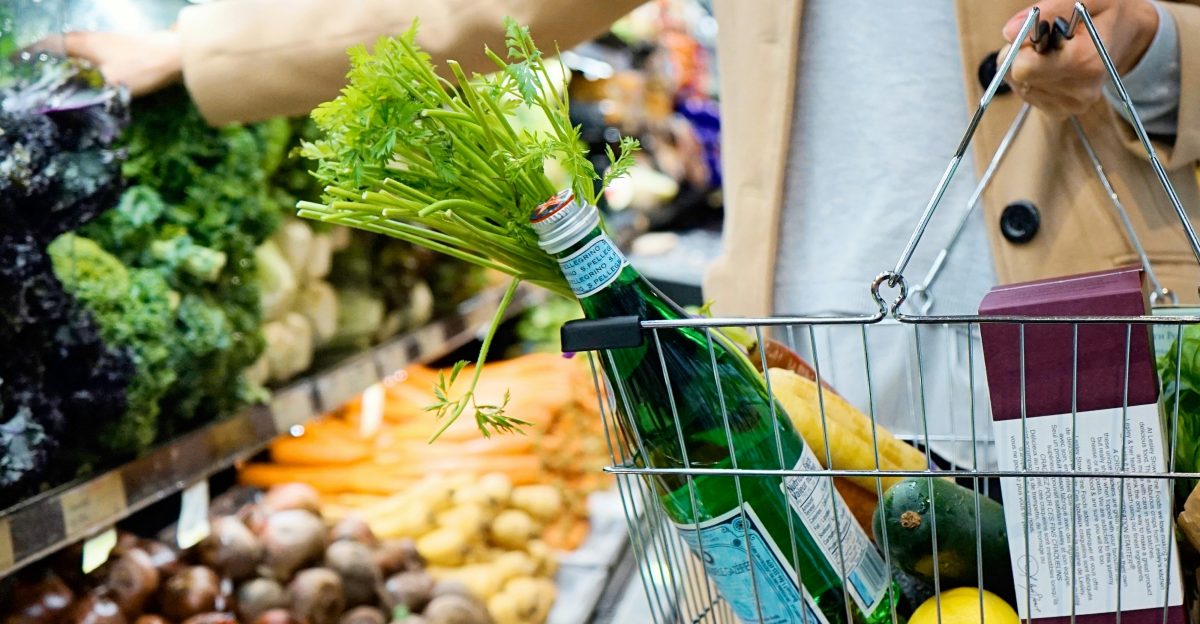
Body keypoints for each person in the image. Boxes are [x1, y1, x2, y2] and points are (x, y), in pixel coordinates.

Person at [57, 0, 1200, 467]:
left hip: (1102, 352)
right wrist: (200, 51)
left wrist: (1152, 51)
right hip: (804, 372)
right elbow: (460, 8)